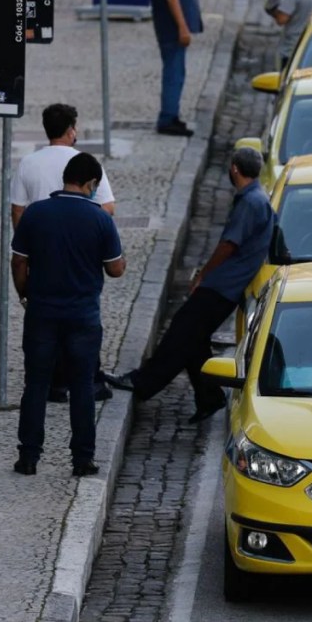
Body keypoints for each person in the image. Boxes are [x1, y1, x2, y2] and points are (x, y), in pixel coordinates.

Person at [104, 148, 274, 423]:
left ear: (234, 169)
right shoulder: (257, 198)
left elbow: (228, 245)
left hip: (222, 285)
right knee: (194, 339)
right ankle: (210, 397)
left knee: (181, 333)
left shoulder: (251, 203)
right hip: (228, 285)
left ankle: (142, 381)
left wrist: (203, 274)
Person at [10, 153, 126, 477]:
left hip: (42, 312)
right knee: (82, 386)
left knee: (35, 383)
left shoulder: (36, 214)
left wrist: (24, 293)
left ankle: (29, 456)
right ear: (91, 184)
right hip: (83, 316)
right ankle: (82, 459)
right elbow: (115, 269)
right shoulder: (100, 219)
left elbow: (19, 261)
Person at [11, 103, 117, 404]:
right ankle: (88, 379)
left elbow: (17, 211)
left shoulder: (28, 163)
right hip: (80, 251)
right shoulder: (85, 162)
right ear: (71, 130)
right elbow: (107, 207)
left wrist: (29, 243)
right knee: (83, 315)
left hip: (41, 251)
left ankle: (53, 383)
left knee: (45, 318)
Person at [149, 0, 203, 137]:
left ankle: (172, 115)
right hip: (171, 28)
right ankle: (168, 118)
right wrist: (182, 27)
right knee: (174, 73)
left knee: (176, 72)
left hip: (168, 26)